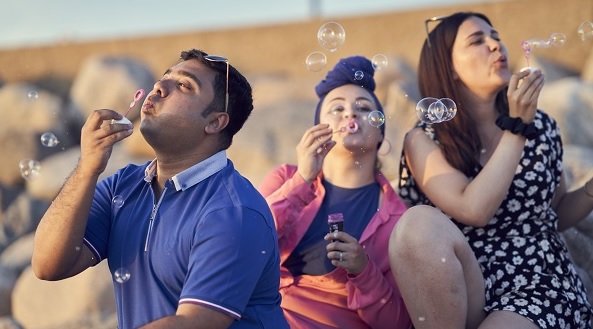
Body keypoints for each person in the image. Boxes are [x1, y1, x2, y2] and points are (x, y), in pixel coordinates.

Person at [31, 49, 289, 329]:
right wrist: (86, 169)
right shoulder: (124, 185)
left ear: (215, 122)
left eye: (183, 85)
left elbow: (194, 324)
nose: (158, 87)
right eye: (163, 78)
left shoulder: (234, 212)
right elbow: (48, 265)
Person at [390, 11, 593, 328]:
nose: (496, 46)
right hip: (465, 285)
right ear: (449, 67)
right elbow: (475, 210)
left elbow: (556, 211)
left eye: (496, 37)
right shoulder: (425, 138)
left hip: (538, 281)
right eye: (477, 41)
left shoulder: (541, 126)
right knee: (415, 224)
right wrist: (517, 129)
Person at [258, 56, 411, 329]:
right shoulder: (285, 178)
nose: (350, 114)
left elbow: (397, 324)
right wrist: (303, 180)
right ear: (318, 129)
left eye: (363, 108)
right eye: (336, 108)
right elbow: (244, 241)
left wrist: (364, 271)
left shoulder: (398, 220)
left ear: (380, 136)